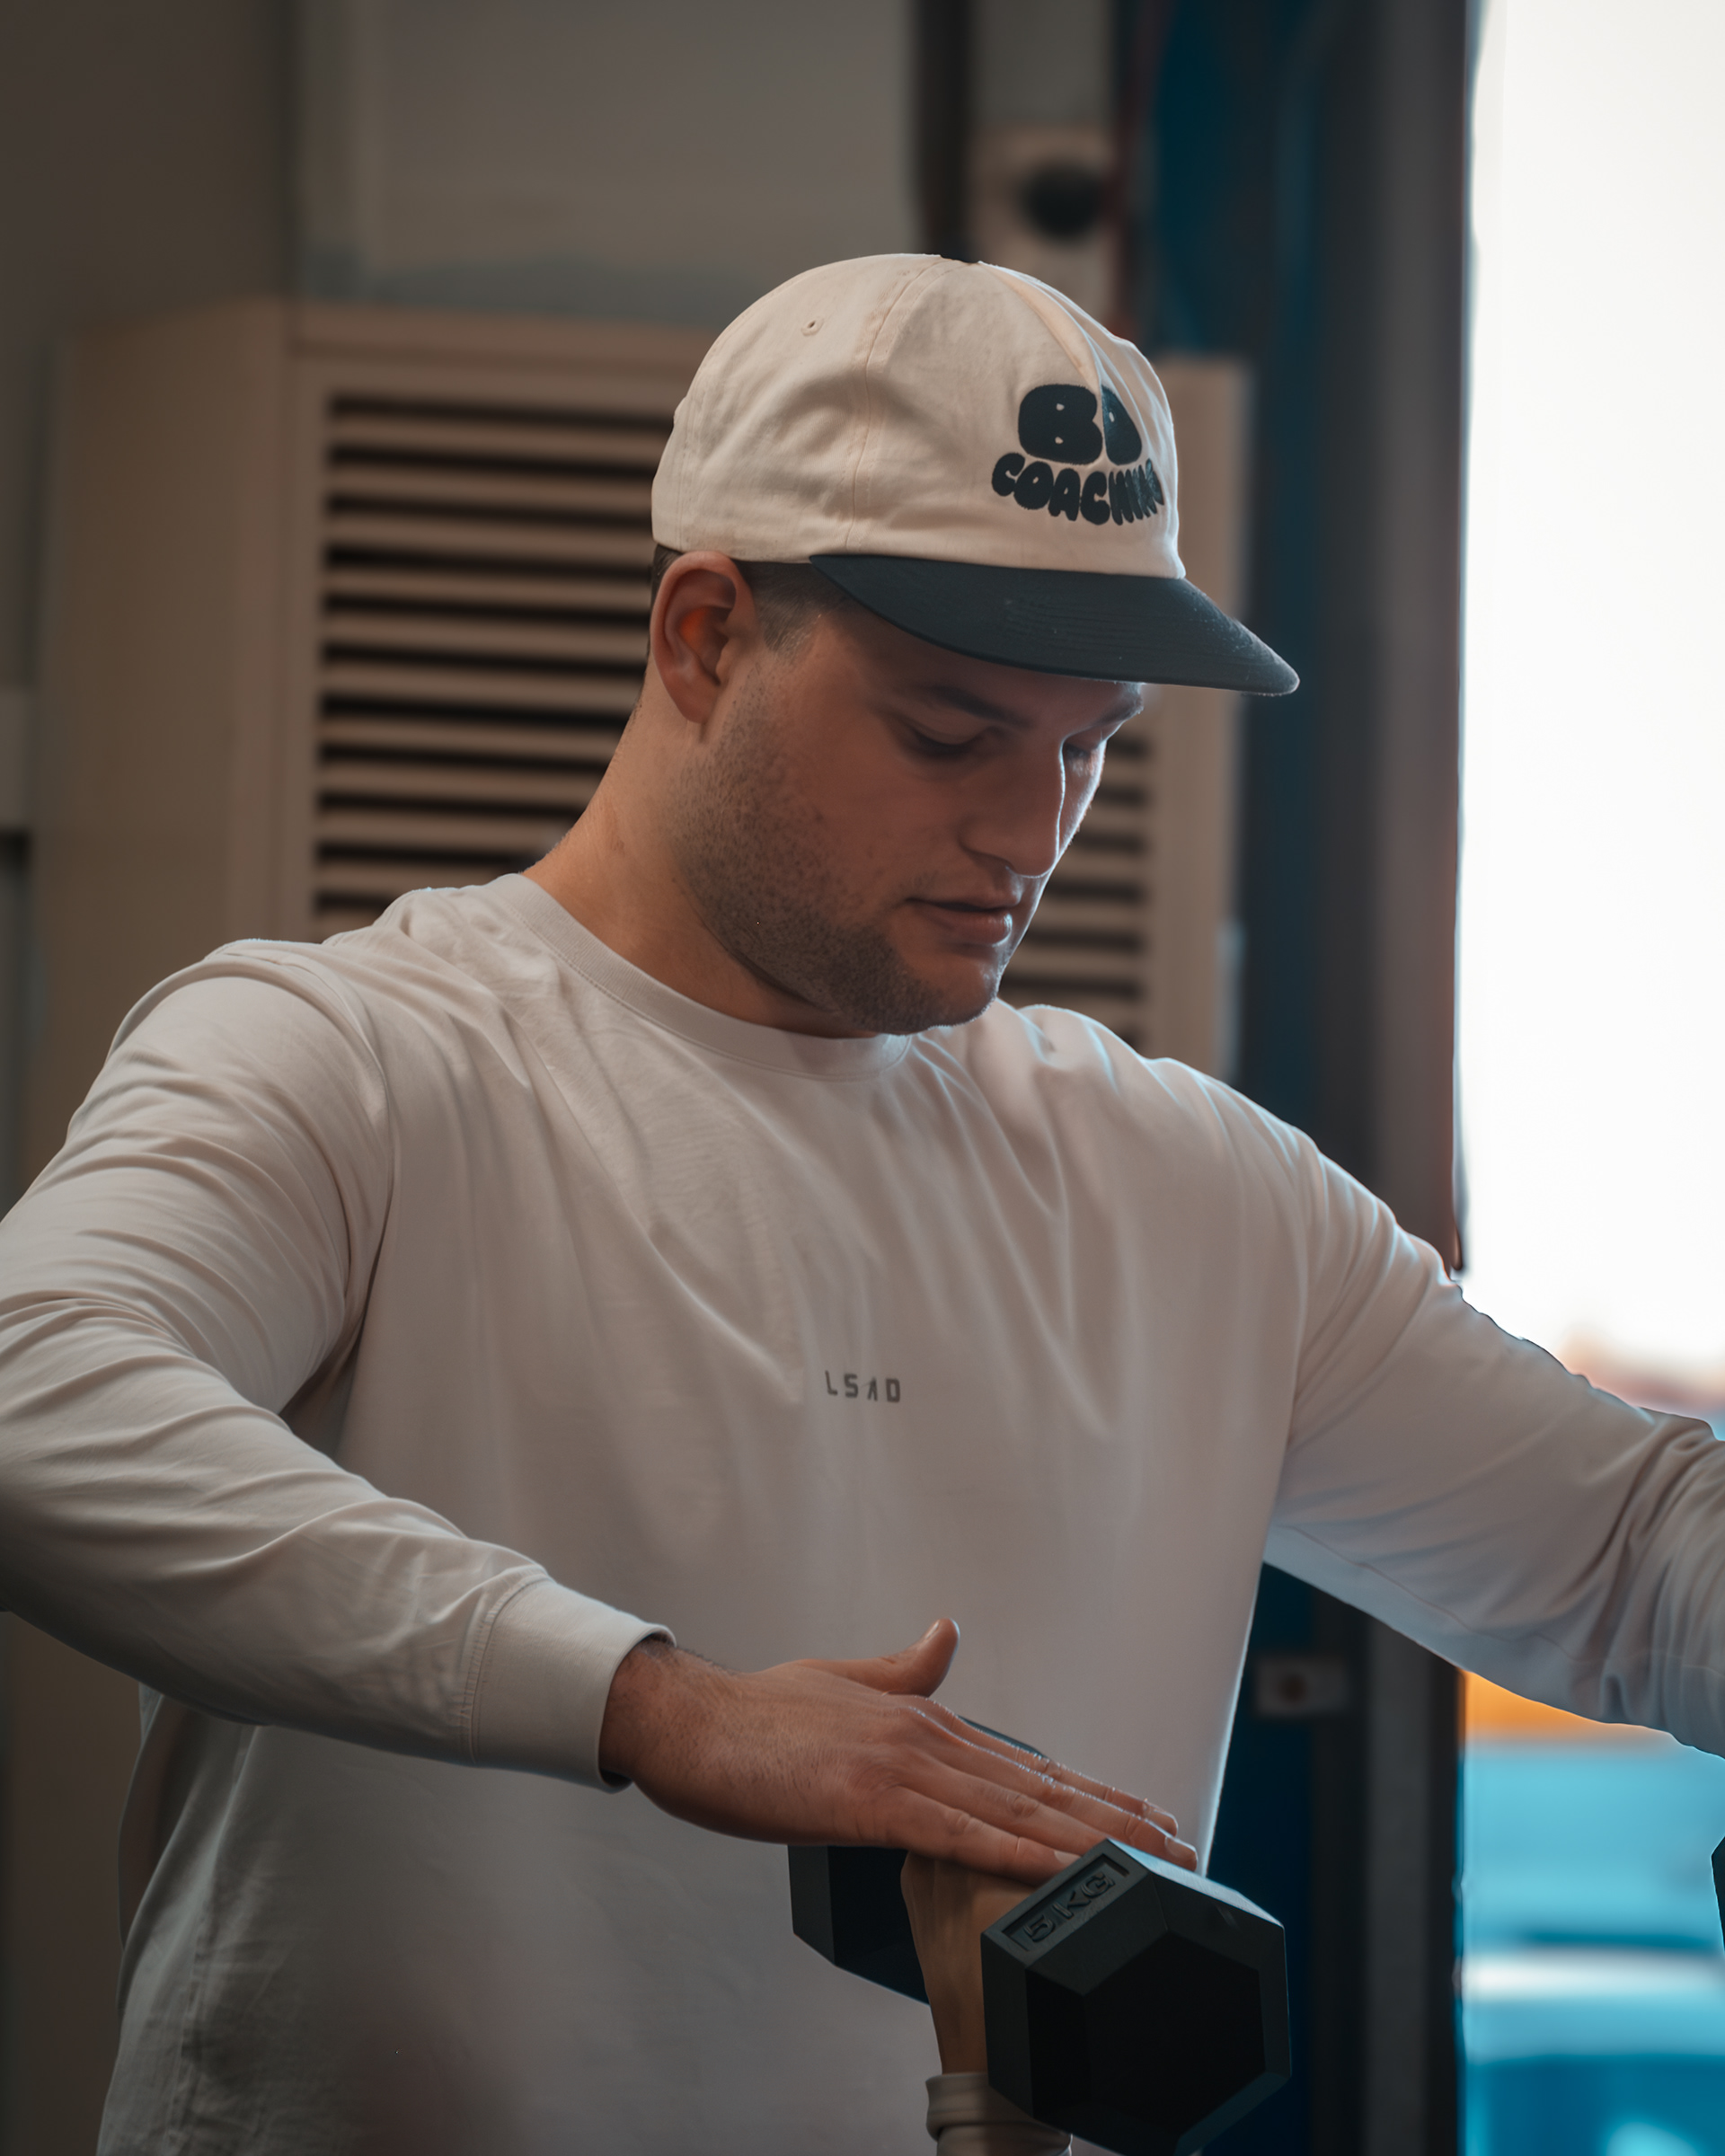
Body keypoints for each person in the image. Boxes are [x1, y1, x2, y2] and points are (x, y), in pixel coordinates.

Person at [2, 252, 1722, 2155]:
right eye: (950, 733)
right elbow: (33, 1396)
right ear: (705, 636)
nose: (1030, 829)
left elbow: (1640, 1553)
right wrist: (657, 1706)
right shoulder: (356, 1059)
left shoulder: (1189, 1190)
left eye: (1088, 745)